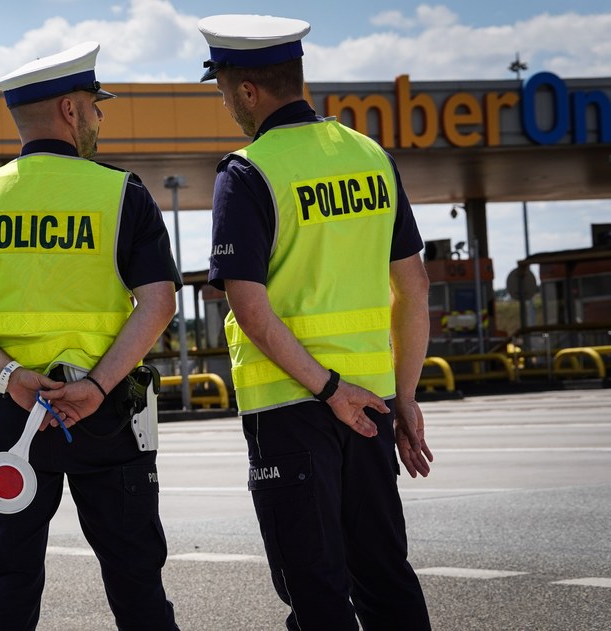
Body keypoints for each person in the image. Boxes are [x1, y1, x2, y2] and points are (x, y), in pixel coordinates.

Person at [0, 41, 181, 631]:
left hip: (10, 417)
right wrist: (97, 384)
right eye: (95, 105)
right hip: (109, 412)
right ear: (70, 110)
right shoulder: (123, 194)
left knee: (8, 587)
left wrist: (11, 377)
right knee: (137, 579)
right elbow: (157, 303)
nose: (99, 117)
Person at [196, 14, 434, 631]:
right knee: (385, 574)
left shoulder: (248, 171)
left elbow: (248, 307)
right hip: (374, 405)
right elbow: (413, 285)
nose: (225, 104)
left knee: (316, 588)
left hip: (293, 407)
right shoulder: (371, 156)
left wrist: (327, 390)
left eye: (223, 90)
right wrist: (404, 395)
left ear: (248, 90)